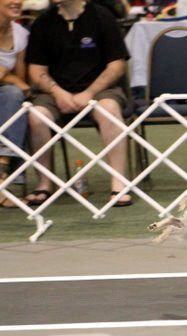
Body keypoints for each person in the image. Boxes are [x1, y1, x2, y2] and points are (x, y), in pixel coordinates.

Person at [25, 0, 132, 206]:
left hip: (100, 90)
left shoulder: (102, 17)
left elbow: (117, 65)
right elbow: (36, 72)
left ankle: (119, 183)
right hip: (55, 92)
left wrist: (89, 92)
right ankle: (44, 184)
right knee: (36, 115)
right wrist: (58, 92)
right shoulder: (42, 23)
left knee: (109, 109)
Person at [0, 0, 29, 208]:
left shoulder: (20, 34)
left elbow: (22, 81)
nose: (17, 1)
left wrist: (8, 78)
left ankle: (2, 169)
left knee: (13, 95)